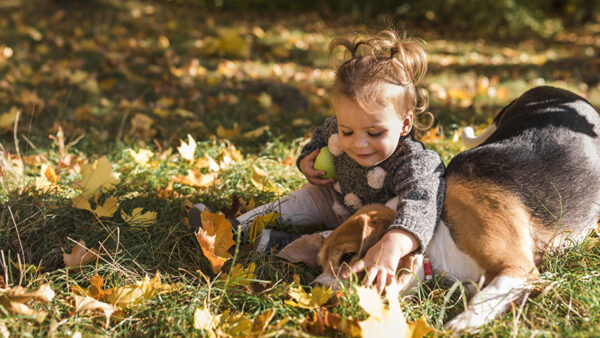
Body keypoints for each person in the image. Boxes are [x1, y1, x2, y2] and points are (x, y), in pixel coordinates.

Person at [190, 29, 446, 293]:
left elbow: (422, 206)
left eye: (374, 133)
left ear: (405, 124)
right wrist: (306, 161)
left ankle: (279, 245)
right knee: (304, 197)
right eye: (348, 131)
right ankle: (233, 228)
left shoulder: (414, 162)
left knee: (338, 240)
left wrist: (394, 242)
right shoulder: (337, 127)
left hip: (366, 229)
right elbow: (320, 138)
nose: (358, 143)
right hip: (335, 199)